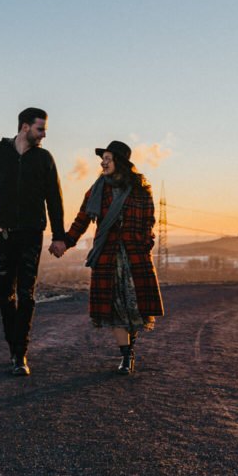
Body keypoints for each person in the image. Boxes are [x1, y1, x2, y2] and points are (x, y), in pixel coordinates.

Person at [49, 140, 164, 374]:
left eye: (108, 159)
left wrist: (143, 245)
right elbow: (82, 220)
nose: (103, 163)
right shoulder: (96, 190)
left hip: (134, 258)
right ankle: (125, 356)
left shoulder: (141, 189)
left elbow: (149, 223)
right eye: (103, 159)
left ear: (120, 162)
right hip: (107, 257)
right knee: (114, 309)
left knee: (133, 308)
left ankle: (130, 348)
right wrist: (65, 242)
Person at [0, 107, 66, 376]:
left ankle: (20, 353)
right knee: (5, 294)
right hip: (3, 235)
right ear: (25, 127)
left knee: (27, 295)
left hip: (31, 235)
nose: (44, 134)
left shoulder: (44, 158)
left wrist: (59, 236)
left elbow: (54, 200)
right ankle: (13, 347)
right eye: (40, 129)